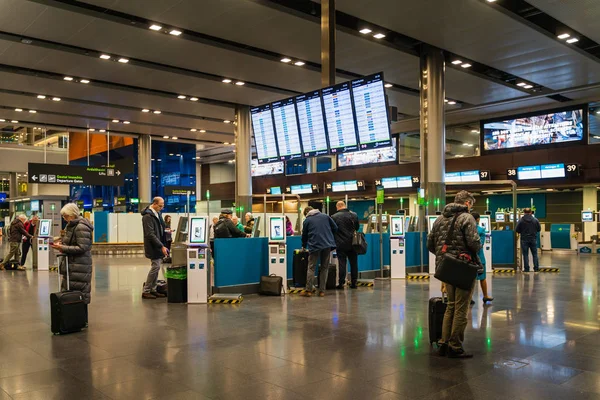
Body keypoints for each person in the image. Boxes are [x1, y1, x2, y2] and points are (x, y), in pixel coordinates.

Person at [427, 190, 481, 359]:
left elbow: (430, 243)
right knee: (461, 307)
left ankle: (443, 342)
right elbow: (474, 243)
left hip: (446, 267)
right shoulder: (467, 218)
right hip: (463, 267)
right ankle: (455, 345)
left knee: (451, 305)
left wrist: (445, 256)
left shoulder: (439, 219)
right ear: (467, 203)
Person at [50, 203, 94, 308]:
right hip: (73, 265)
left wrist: (62, 248)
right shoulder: (72, 226)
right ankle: (71, 317)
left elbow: (82, 247)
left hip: (80, 265)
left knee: (79, 293)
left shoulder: (80, 227)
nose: (64, 219)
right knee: (71, 293)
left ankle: (79, 318)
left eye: (65, 216)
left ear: (72, 215)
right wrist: (62, 244)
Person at [301, 206, 338, 297]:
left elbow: (304, 235)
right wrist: (328, 236)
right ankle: (322, 291)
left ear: (306, 213)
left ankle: (308, 290)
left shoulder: (307, 220)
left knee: (311, 267)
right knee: (324, 267)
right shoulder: (325, 216)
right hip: (327, 245)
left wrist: (303, 245)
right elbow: (336, 228)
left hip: (314, 246)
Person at [141, 197, 168, 300]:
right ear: (154, 204)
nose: (162, 208)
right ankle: (146, 290)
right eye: (160, 206)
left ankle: (153, 289)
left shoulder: (157, 214)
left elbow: (160, 228)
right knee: (155, 267)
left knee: (156, 267)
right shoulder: (147, 216)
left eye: (163, 206)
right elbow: (150, 234)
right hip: (154, 245)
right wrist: (161, 246)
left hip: (158, 244)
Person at [331, 201, 359, 289]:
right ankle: (354, 282)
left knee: (342, 263)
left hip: (341, 243)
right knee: (354, 263)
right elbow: (357, 227)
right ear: (344, 206)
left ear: (338, 207)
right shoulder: (354, 215)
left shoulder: (334, 217)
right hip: (353, 243)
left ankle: (341, 283)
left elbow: (332, 229)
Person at [471, 212, 493, 304]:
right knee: (482, 277)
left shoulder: (466, 229)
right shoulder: (481, 230)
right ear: (478, 219)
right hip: (479, 257)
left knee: (470, 279)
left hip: (469, 257)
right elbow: (481, 244)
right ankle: (485, 296)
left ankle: (469, 298)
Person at [516, 208, 541, 272]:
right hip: (533, 239)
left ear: (524, 212)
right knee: (535, 254)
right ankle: (536, 268)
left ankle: (526, 269)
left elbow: (517, 229)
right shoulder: (535, 220)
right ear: (530, 212)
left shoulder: (521, 220)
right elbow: (539, 229)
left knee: (525, 255)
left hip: (524, 239)